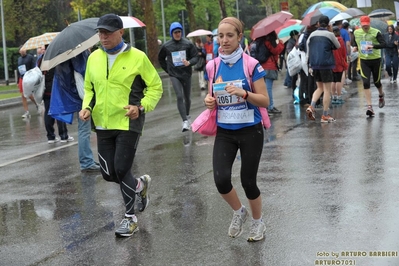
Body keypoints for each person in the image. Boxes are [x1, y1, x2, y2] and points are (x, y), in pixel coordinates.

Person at [79, 14, 163, 237]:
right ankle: (139, 186)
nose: (103, 36)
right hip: (103, 124)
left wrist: (141, 107)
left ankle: (130, 218)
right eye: (100, 32)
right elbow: (89, 88)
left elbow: (156, 87)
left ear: (121, 32)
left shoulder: (137, 57)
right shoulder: (94, 58)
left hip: (129, 122)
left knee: (121, 168)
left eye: (107, 32)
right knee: (108, 173)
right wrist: (87, 106)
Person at [203, 17, 269, 242]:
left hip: (250, 129)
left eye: (229, 35)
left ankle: (258, 222)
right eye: (220, 36)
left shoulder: (251, 65)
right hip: (225, 130)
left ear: (240, 37)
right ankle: (239, 211)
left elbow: (265, 100)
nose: (224, 40)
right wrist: (209, 101)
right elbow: (212, 95)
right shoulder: (212, 65)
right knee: (221, 179)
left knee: (248, 181)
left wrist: (245, 94)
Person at [158, 22, 198, 132]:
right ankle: (184, 121)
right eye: (175, 32)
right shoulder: (166, 46)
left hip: (186, 74)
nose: (178, 34)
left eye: (179, 32)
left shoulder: (188, 44)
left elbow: (195, 57)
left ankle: (187, 115)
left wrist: (189, 62)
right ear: (172, 33)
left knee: (187, 98)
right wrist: (168, 70)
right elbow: (160, 59)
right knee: (179, 96)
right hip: (174, 74)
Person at [305, 15, 340, 123]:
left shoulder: (311, 35)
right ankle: (325, 115)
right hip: (326, 64)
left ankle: (311, 106)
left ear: (318, 24)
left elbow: (308, 49)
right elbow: (337, 46)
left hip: (315, 64)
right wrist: (331, 32)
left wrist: (310, 64)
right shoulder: (329, 34)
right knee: (327, 90)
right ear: (328, 24)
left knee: (319, 87)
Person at [37, 45, 74, 144]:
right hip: (57, 89)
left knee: (48, 113)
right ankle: (63, 136)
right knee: (59, 111)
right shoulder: (56, 58)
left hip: (45, 90)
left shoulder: (41, 59)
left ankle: (50, 136)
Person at [353, 16, 387, 117]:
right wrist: (355, 47)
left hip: (375, 60)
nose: (365, 27)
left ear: (369, 23)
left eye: (367, 25)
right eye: (363, 26)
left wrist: (373, 46)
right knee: (366, 83)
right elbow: (356, 42)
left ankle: (381, 95)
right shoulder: (356, 32)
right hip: (364, 61)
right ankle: (369, 107)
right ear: (361, 25)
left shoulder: (376, 32)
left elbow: (384, 44)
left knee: (377, 82)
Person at [261, 31, 284, 114]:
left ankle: (266, 107)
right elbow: (276, 51)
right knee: (268, 89)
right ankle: (270, 107)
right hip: (269, 67)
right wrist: (280, 43)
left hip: (262, 67)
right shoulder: (269, 42)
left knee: (264, 88)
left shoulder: (262, 41)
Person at [17, 47, 38, 118]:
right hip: (21, 78)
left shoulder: (30, 57)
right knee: (23, 95)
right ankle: (26, 111)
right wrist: (18, 81)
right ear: (19, 51)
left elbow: (33, 68)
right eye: (21, 49)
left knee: (28, 94)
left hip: (28, 77)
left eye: (24, 49)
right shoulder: (19, 59)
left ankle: (37, 104)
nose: (23, 50)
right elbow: (18, 70)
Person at [331, 26, 348, 105]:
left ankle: (333, 96)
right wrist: (345, 61)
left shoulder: (330, 40)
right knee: (338, 80)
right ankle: (338, 96)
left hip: (332, 62)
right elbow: (343, 52)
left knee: (333, 80)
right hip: (339, 62)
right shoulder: (340, 40)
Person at [284, 30, 299, 97]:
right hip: (293, 61)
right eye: (296, 35)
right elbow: (289, 50)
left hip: (295, 61)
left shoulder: (295, 41)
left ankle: (289, 83)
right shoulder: (290, 42)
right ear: (294, 35)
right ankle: (290, 85)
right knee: (293, 76)